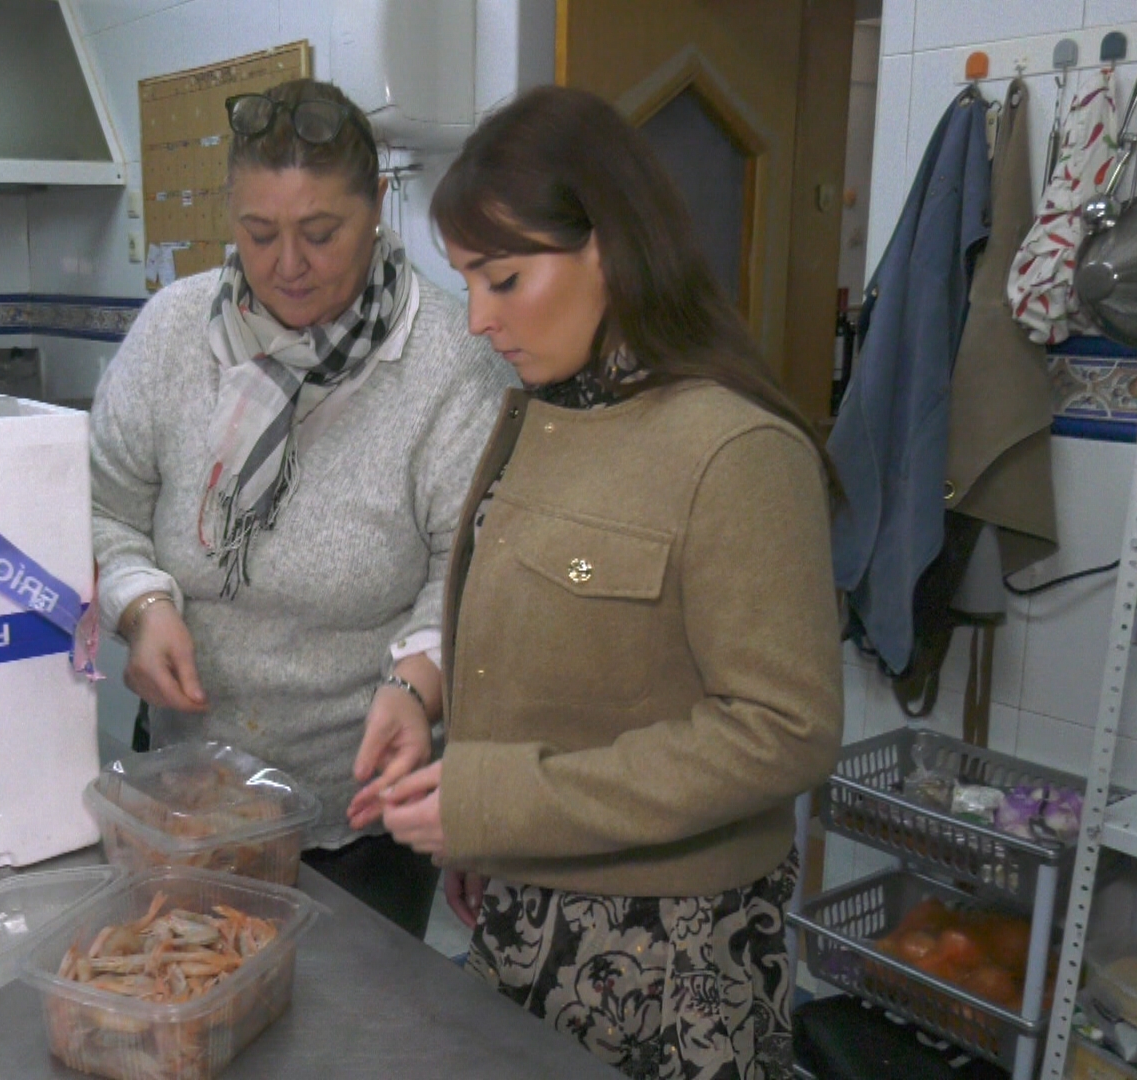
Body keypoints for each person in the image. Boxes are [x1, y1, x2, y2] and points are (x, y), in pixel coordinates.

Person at [350, 85, 843, 1078]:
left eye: (504, 279)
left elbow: (783, 729)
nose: (480, 320)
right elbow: (524, 628)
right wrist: (426, 697)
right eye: (467, 283)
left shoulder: (736, 449)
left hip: (673, 954)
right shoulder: (537, 414)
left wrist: (503, 804)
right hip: (525, 908)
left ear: (609, 248)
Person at [89, 78, 514, 938]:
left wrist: (416, 682)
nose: (288, 264)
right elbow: (103, 509)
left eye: (322, 233)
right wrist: (138, 601)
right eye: (258, 234)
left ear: (378, 209)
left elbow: (468, 569)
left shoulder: (446, 364)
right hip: (190, 787)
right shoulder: (174, 335)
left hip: (362, 805)